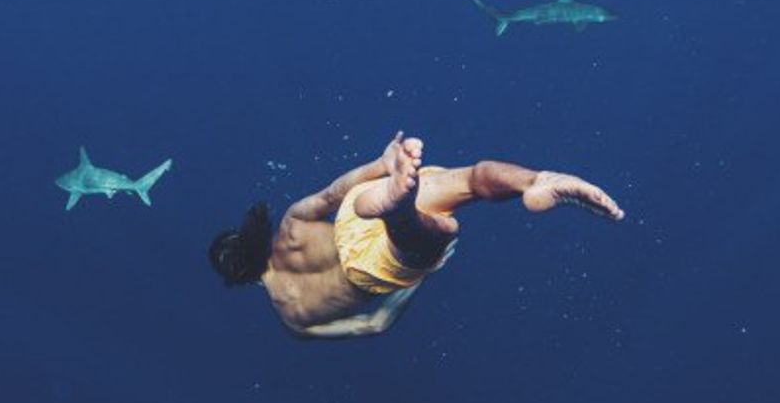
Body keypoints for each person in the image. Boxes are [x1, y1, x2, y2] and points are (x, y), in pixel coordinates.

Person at [208, 133, 624, 338]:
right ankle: (536, 181)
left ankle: (399, 211)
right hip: (355, 214)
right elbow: (334, 193)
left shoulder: (293, 319)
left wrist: (418, 279)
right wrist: (381, 164)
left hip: (371, 269)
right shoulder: (290, 227)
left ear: (239, 278)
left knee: (434, 231)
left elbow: (374, 324)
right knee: (470, 180)